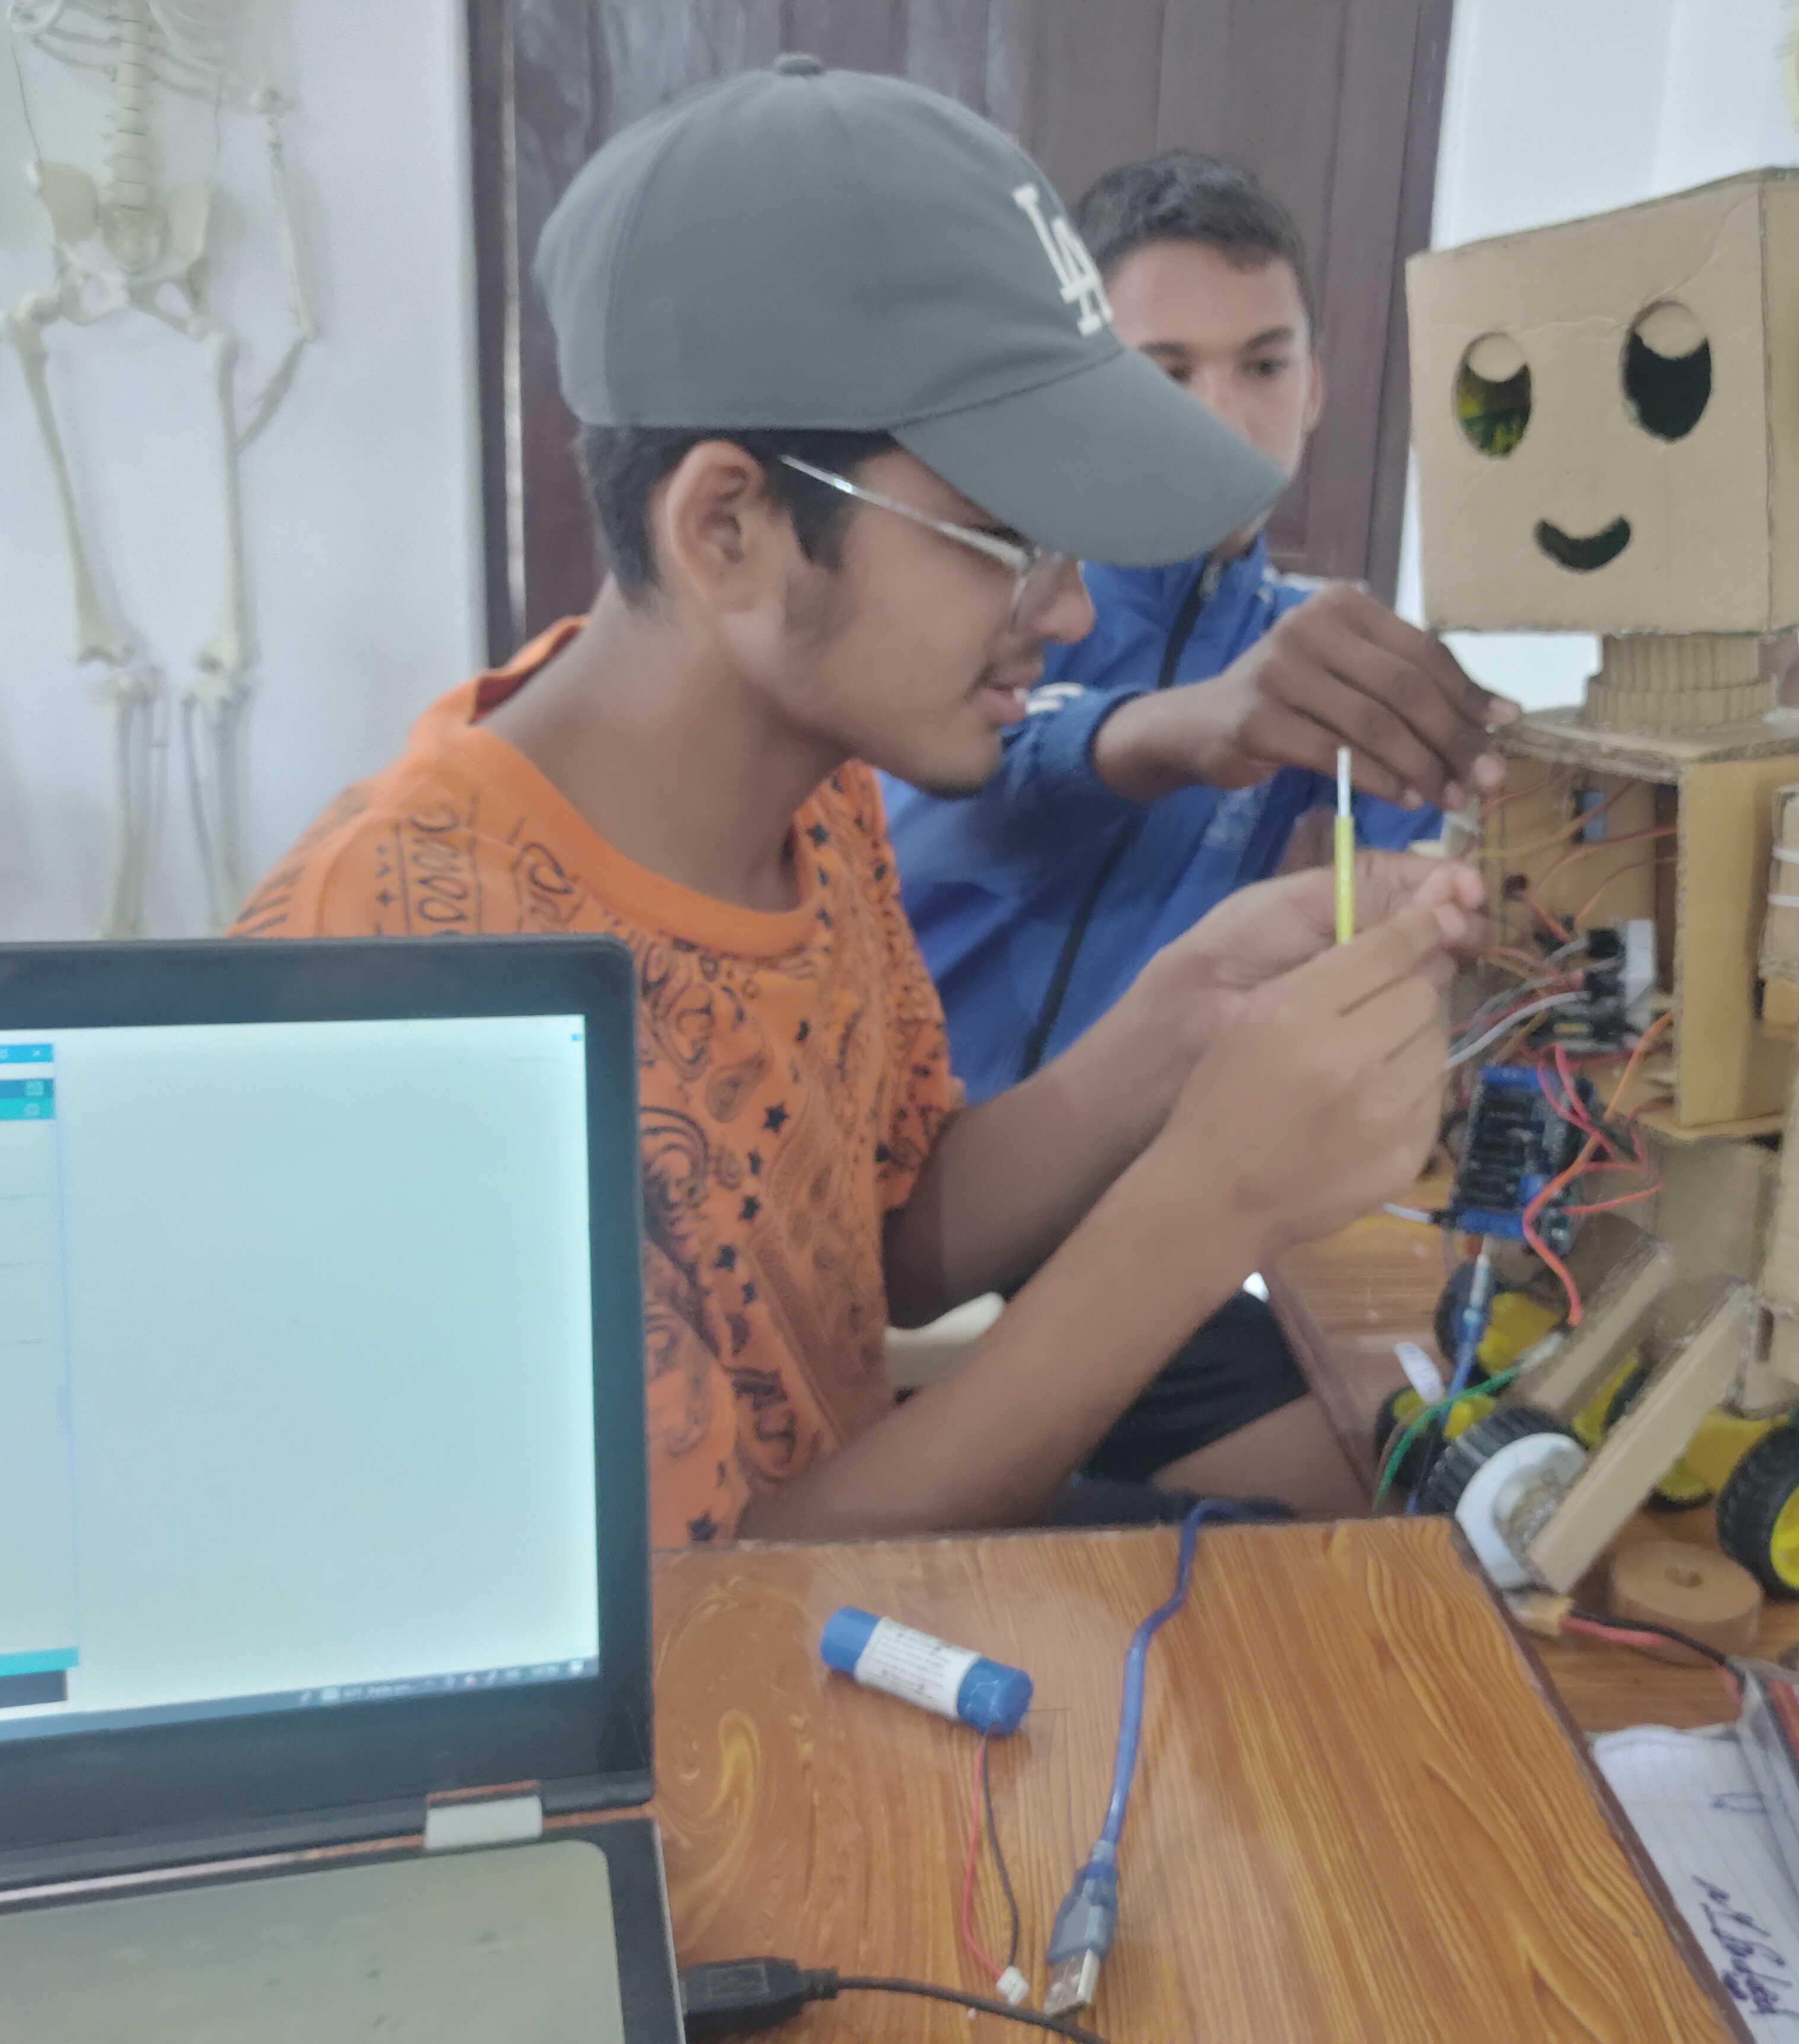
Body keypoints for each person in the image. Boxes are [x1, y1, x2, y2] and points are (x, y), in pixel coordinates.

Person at [231, 59, 1474, 1545]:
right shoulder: (408, 990)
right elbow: (691, 1625)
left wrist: (1181, 1020)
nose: (1070, 615)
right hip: (730, 1656)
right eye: (1005, 540)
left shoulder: (812, 799)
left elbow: (883, 1252)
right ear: (729, 527)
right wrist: (1208, 1209)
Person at [886, 150, 1520, 1100]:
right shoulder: (975, 589)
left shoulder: (1338, 668)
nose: (1219, 420)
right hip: (889, 1155)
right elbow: (912, 812)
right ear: (1079, 383)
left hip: (1170, 1181)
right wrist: (1185, 730)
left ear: (1314, 389)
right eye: (1165, 372)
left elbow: (1453, 882)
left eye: (1264, 366)